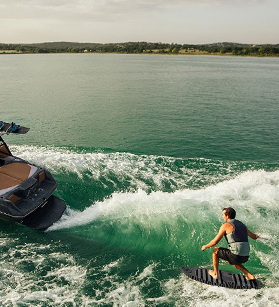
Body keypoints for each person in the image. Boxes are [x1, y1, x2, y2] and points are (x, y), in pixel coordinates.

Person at [201, 207, 260, 280]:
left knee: (215, 250)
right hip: (245, 256)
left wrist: (205, 246)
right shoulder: (242, 225)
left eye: (223, 215)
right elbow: (254, 236)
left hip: (236, 256)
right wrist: (261, 236)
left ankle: (215, 274)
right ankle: (250, 275)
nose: (223, 216)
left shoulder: (226, 225)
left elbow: (215, 242)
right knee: (230, 259)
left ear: (227, 216)